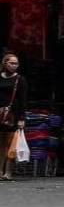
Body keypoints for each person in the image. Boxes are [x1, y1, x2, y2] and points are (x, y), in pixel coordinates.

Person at [0, 52, 27, 181]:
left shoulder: (19, 79)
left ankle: (8, 171)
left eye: (16, 63)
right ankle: (0, 170)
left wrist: (22, 118)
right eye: (11, 63)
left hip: (13, 115)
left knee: (11, 144)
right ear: (5, 63)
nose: (14, 66)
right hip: (0, 114)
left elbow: (23, 100)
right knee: (1, 144)